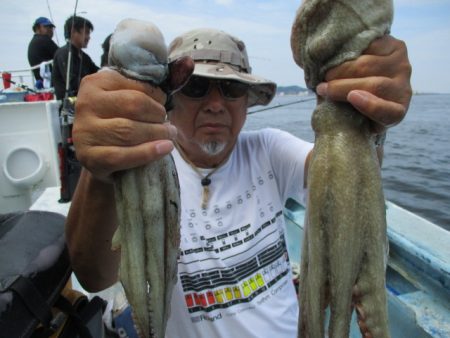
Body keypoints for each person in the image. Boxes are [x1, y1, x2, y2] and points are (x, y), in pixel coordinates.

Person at [66, 28, 412, 338]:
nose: (216, 105)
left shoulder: (269, 149)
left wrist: (364, 123)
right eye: (196, 87)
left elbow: (345, 189)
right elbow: (93, 275)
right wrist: (102, 169)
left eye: (231, 89)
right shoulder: (144, 165)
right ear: (168, 99)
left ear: (247, 101)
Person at [52, 15, 99, 100]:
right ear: (73, 31)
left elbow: (97, 72)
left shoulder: (84, 57)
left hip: (86, 101)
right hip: (70, 107)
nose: (89, 37)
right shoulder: (64, 54)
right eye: (86, 32)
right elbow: (73, 84)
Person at [27, 17, 58, 85]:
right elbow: (63, 56)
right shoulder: (44, 40)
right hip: (50, 82)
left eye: (51, 27)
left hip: (41, 82)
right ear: (38, 28)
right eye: (47, 27)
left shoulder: (33, 42)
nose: (50, 29)